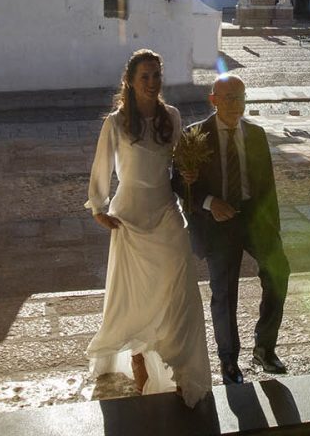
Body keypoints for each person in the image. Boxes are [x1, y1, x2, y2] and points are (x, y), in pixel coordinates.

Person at [85, 49, 211, 407]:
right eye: (145, 76)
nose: (153, 82)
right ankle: (139, 360)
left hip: (165, 212)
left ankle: (183, 368)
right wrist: (98, 206)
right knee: (135, 295)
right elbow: (102, 166)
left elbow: (178, 166)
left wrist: (187, 174)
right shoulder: (115, 122)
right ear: (130, 80)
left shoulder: (171, 116)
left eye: (157, 75)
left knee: (181, 286)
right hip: (130, 216)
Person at [174, 74, 290, 385]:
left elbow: (267, 187)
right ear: (213, 99)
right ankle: (228, 360)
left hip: (254, 218)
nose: (235, 104)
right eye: (228, 98)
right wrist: (210, 202)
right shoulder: (193, 135)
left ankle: (265, 348)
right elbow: (179, 184)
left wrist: (273, 230)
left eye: (240, 97)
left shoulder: (256, 134)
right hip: (218, 221)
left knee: (279, 271)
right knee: (224, 292)